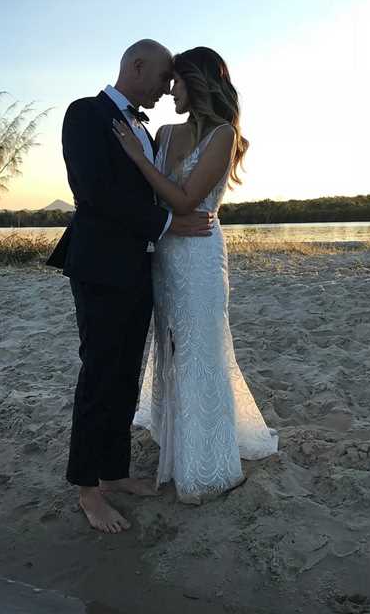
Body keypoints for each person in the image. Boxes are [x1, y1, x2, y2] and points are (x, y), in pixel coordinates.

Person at [47, 39, 216, 533]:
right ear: (136, 66)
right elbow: (94, 193)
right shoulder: (85, 114)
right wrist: (165, 225)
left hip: (139, 269)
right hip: (99, 268)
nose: (167, 89)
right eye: (164, 77)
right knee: (100, 374)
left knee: (125, 376)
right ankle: (87, 490)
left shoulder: (145, 130)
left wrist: (164, 227)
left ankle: (114, 472)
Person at [112, 46, 279, 505]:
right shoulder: (162, 133)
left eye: (178, 82)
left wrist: (138, 159)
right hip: (165, 255)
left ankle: (209, 464)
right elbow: (147, 202)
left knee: (201, 348)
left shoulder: (222, 135)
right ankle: (177, 441)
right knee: (170, 348)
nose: (170, 91)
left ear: (198, 83)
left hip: (201, 257)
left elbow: (185, 201)